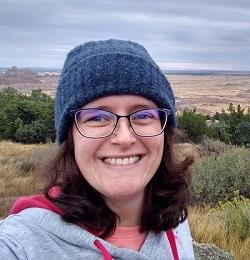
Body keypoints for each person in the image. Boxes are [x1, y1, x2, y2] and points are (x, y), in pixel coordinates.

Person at [0, 39, 195, 259]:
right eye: (98, 117)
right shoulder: (20, 244)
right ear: (70, 136)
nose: (124, 138)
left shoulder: (174, 219)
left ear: (163, 129)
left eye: (142, 115)